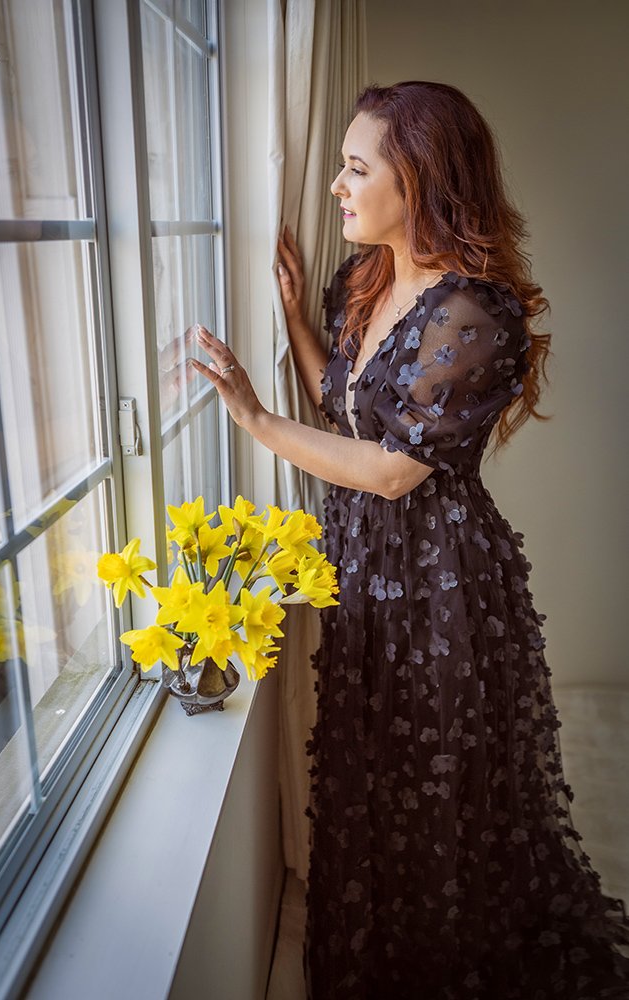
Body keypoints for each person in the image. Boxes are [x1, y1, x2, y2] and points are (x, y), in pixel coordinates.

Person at [192, 81, 629, 999]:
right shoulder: (374, 277)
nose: (339, 188)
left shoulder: (478, 313)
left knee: (437, 797)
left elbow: (391, 468)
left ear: (420, 178)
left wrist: (255, 420)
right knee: (372, 782)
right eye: (341, 166)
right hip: (363, 572)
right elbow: (348, 407)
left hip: (439, 584)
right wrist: (295, 321)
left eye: (357, 168)